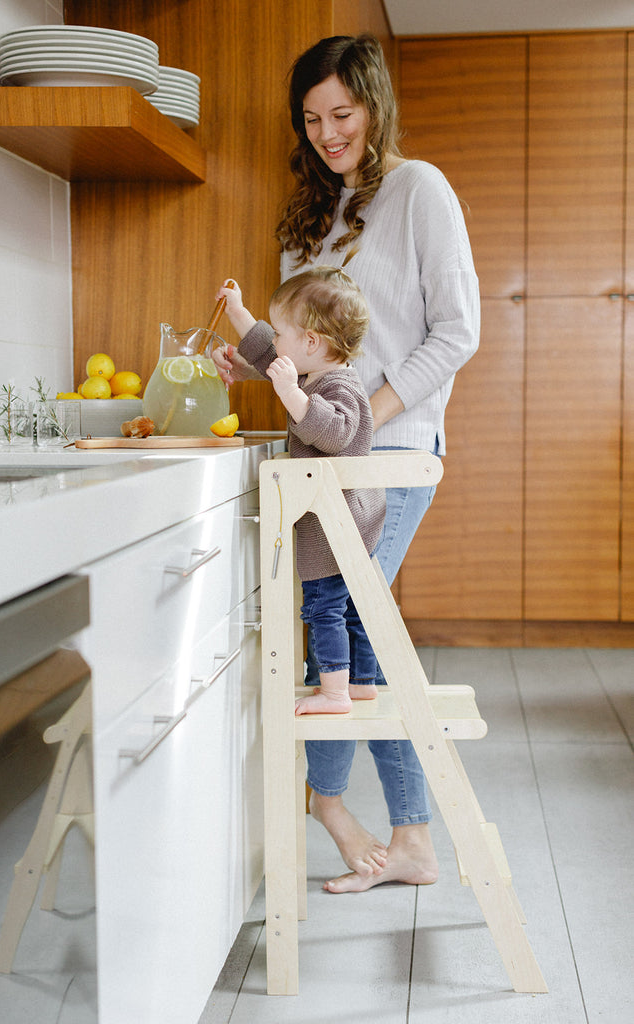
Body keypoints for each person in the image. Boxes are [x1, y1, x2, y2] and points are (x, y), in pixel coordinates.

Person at [215, 34, 480, 893]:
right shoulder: (308, 216)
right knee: (353, 634)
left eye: (343, 114)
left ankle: (345, 811)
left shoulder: (418, 190)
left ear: (374, 106)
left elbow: (456, 332)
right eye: (312, 119)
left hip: (393, 453)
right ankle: (398, 835)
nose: (328, 134)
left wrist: (368, 418)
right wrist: (253, 364)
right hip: (328, 457)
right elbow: (313, 348)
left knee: (352, 631)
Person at [218, 266, 387, 716]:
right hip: (342, 520)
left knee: (324, 608)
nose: (273, 342)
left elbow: (333, 433)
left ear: (310, 343)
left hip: (337, 523)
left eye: (280, 333)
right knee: (351, 606)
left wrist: (292, 393)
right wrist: (238, 312)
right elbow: (264, 357)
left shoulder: (338, 385)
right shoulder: (315, 373)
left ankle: (334, 692)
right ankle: (363, 683)